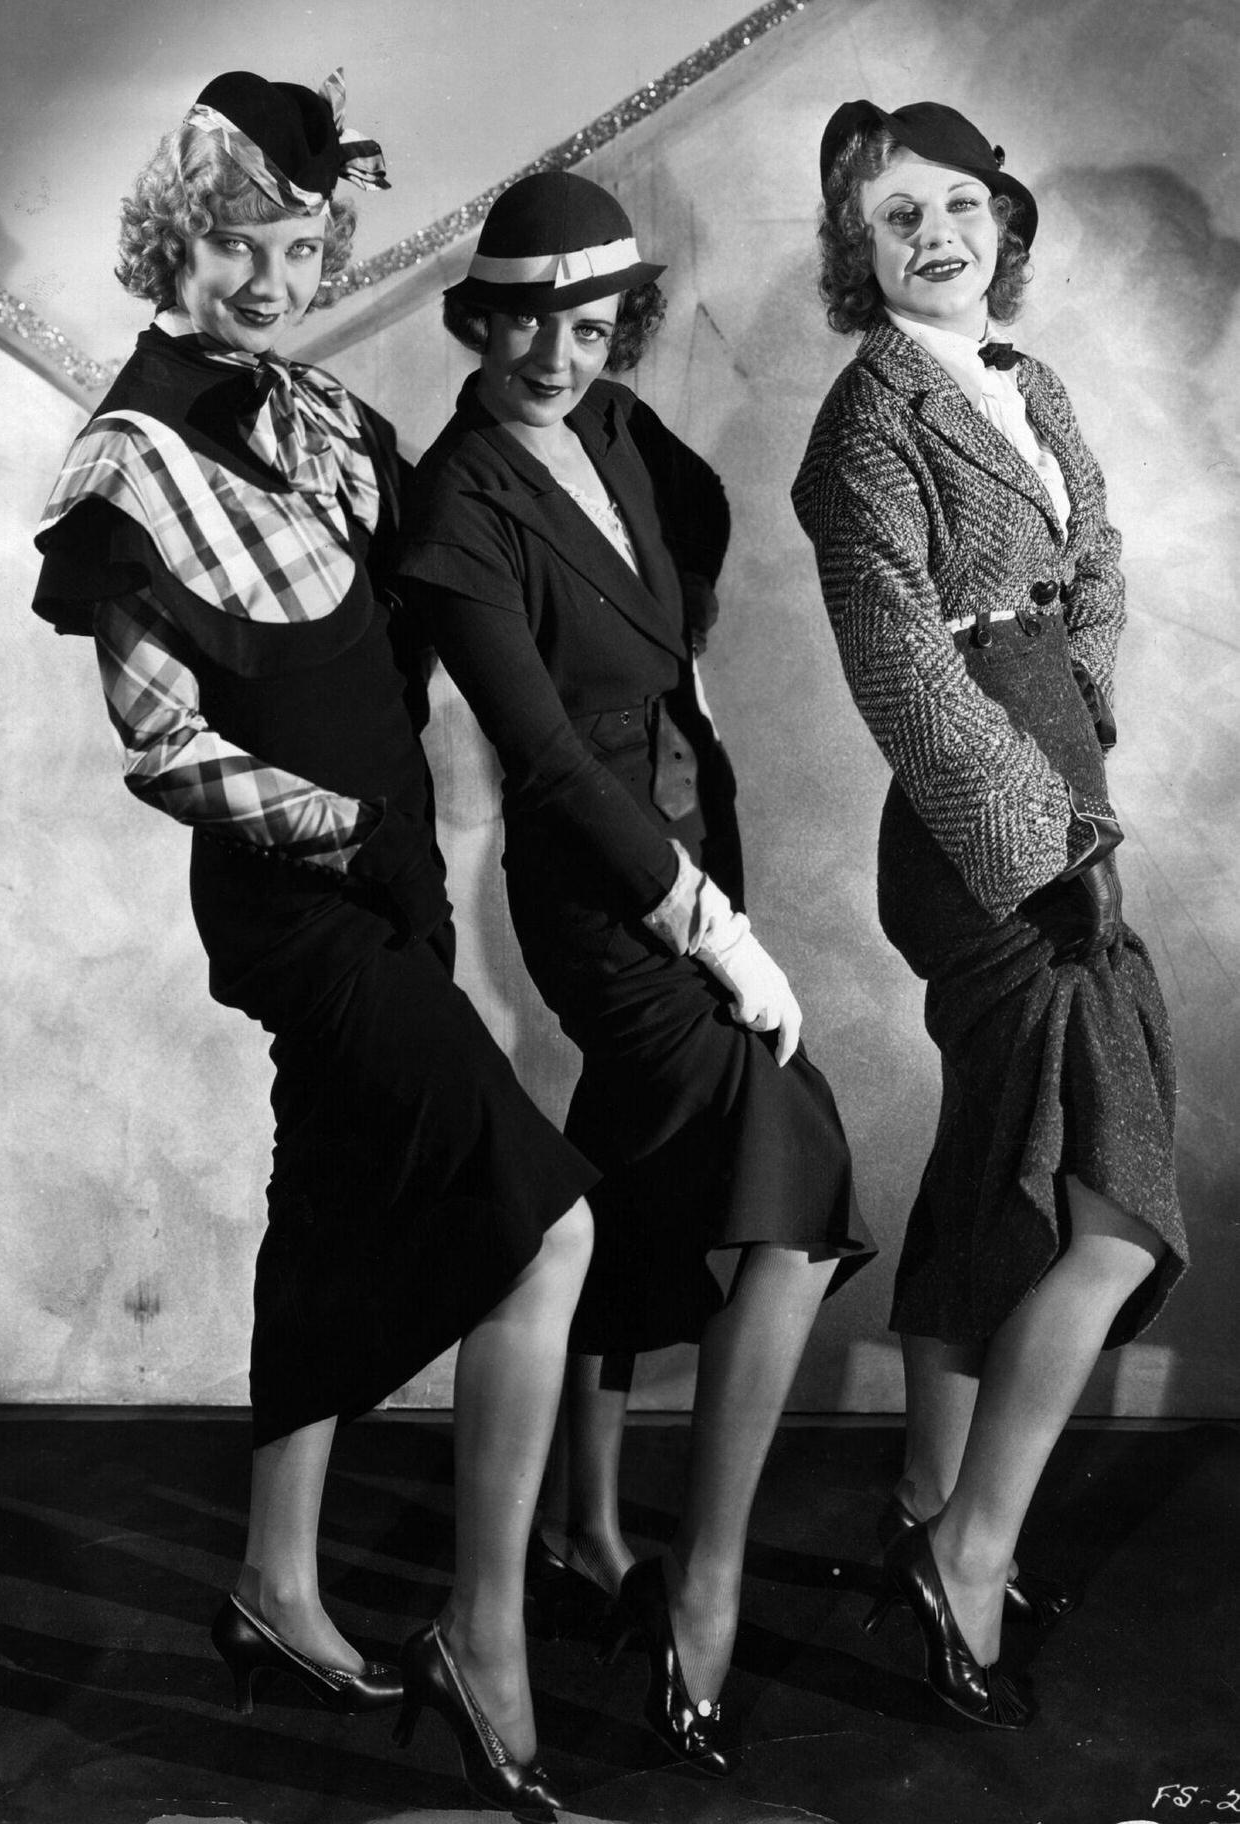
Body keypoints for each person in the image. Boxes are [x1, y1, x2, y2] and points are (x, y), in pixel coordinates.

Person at [31, 70, 598, 1820]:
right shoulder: (123, 461)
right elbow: (162, 745)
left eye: (298, 247)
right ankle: (483, 1644)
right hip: (299, 902)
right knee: (547, 1220)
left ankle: (274, 1587)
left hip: (399, 880)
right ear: (170, 242)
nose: (274, 280)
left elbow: (437, 597)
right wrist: (346, 831)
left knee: (334, 1198)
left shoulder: (329, 412)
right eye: (237, 246)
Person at [395, 170, 875, 1777]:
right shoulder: (455, 504)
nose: (558, 356)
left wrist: (678, 687)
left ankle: (587, 1530)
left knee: (637, 1176)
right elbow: (540, 759)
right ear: (480, 321)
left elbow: (686, 551)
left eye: (592, 328)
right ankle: (704, 1588)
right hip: (605, 901)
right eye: (528, 326)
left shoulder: (615, 430)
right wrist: (714, 929)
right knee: (795, 1180)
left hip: (693, 834)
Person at [793, 101, 1188, 1730]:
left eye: (959, 205)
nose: (937, 237)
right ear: (858, 248)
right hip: (981, 837)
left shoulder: (1029, 383)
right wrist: (1043, 837)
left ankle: (923, 1499)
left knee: (996, 1167)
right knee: (1113, 1210)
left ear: (1001, 223)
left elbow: (1097, 555)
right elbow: (901, 668)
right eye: (898, 218)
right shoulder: (863, 424)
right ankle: (969, 1550)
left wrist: (1067, 691)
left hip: (1054, 775)